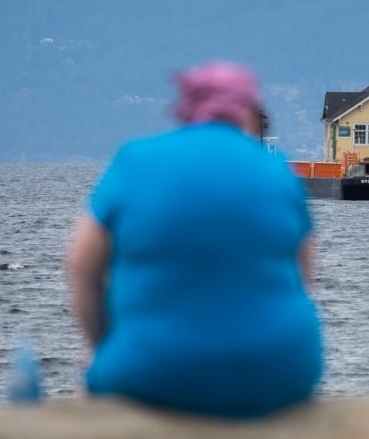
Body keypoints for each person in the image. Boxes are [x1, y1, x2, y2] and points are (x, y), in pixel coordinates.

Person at [66, 61, 323, 418]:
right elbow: (304, 274)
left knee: (90, 372)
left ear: (188, 108)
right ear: (248, 113)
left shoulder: (136, 160)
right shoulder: (277, 168)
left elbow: (81, 265)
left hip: (154, 373)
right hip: (282, 375)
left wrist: (101, 345)